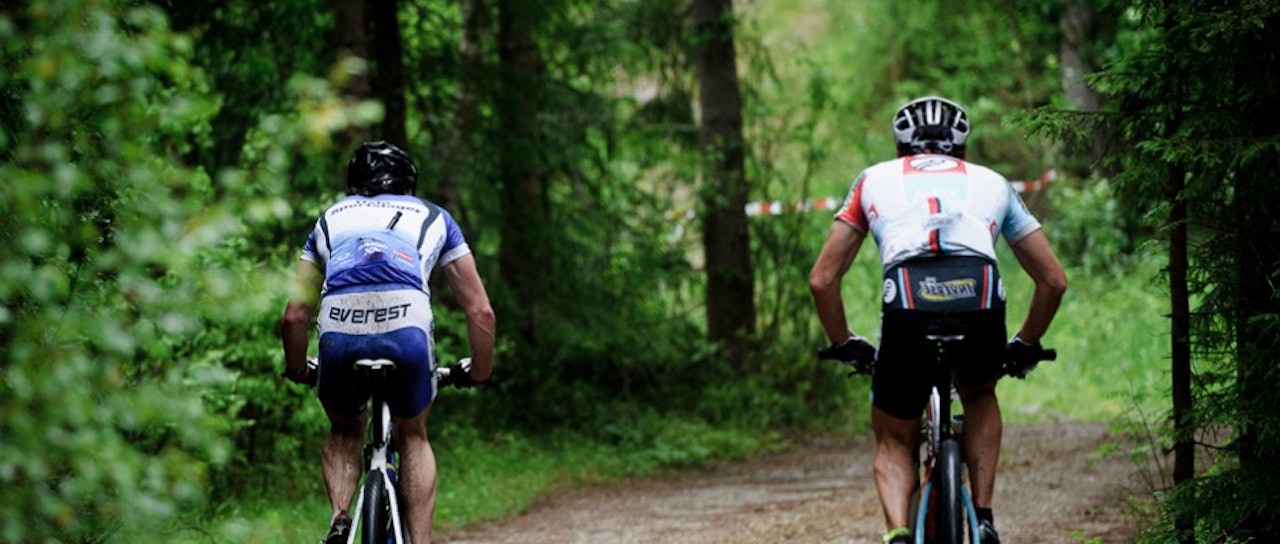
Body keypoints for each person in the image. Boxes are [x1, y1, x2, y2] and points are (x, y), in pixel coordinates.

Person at [809, 96, 1066, 544]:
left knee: (893, 438)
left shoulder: (872, 179)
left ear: (898, 148)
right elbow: (1053, 280)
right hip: (980, 291)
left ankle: (899, 536)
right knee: (980, 392)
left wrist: (843, 340)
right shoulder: (993, 182)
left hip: (907, 296)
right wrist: (1026, 341)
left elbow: (823, 279)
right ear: (962, 151)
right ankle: (983, 519)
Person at [279, 141, 496, 544]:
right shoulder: (436, 217)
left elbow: (294, 315)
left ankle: (340, 520)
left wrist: (296, 367)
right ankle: (422, 540)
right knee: (412, 433)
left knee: (344, 428)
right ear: (408, 184)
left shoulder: (329, 219)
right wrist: (479, 372)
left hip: (340, 328)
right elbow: (480, 311)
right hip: (407, 325)